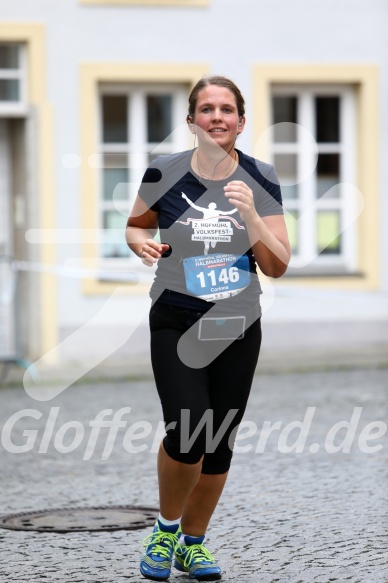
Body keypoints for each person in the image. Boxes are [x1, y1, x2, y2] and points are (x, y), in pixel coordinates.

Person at [126, 75, 290, 582]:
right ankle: (166, 528)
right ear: (191, 120)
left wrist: (252, 216)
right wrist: (140, 244)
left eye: (226, 109)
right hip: (176, 317)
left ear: (241, 121)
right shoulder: (164, 172)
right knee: (187, 426)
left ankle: (193, 544)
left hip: (237, 320)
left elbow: (279, 263)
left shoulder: (261, 178)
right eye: (206, 108)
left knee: (218, 437)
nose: (216, 116)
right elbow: (136, 225)